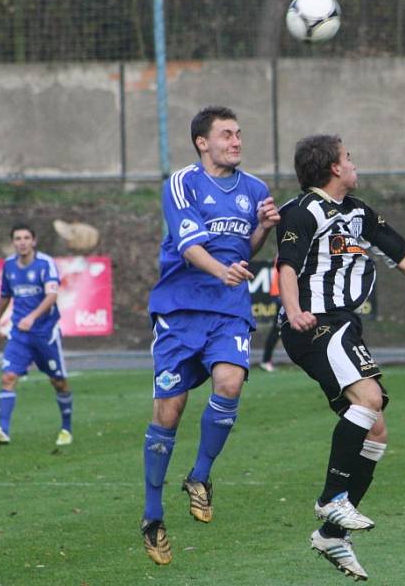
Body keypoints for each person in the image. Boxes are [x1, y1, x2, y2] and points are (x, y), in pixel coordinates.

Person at [276, 135, 405, 581]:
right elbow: (286, 265)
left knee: (375, 426)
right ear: (334, 168)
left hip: (343, 325)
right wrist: (295, 310)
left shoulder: (360, 213)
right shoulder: (302, 211)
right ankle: (333, 497)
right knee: (368, 398)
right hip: (316, 324)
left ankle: (333, 534)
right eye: (348, 158)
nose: (354, 164)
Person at [142, 106, 280, 565]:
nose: (237, 141)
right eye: (226, 134)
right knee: (169, 411)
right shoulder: (182, 183)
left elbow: (246, 247)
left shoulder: (256, 189)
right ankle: (153, 514)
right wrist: (222, 270)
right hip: (180, 311)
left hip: (228, 310)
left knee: (230, 382)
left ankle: (199, 476)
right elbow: (188, 245)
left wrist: (261, 228)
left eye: (239, 133)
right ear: (203, 142)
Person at [0, 223, 73, 447]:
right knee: (8, 378)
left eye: (26, 238)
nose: (22, 242)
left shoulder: (45, 264)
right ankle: (3, 430)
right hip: (19, 335)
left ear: (34, 241)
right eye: (17, 239)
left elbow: (51, 296)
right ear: (12, 242)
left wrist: (32, 317)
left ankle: (66, 428)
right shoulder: (9, 266)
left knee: (59, 382)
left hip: (44, 334)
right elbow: (5, 295)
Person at [259, 256, 281, 372]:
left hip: (281, 294)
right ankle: (266, 360)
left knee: (278, 329)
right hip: (282, 294)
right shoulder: (285, 248)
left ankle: (266, 360)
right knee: (277, 329)